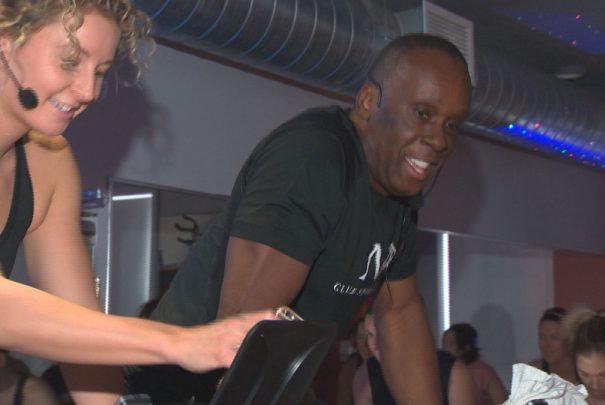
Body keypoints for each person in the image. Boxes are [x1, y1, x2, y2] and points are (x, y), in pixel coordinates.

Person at [141, 33, 473, 403]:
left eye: (451, 124)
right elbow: (241, 334)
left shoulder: (397, 193)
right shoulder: (312, 161)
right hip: (175, 390)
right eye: (423, 113)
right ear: (368, 100)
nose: (440, 140)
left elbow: (399, 311)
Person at [0, 1, 275, 404]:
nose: (88, 91)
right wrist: (178, 342)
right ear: (6, 41)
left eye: (100, 72)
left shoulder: (48, 165)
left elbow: (84, 343)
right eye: (70, 61)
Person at [353, 313, 476, 405]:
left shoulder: (453, 372)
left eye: (381, 332)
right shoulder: (368, 375)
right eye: (370, 335)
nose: (373, 344)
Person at [442, 323, 507, 405]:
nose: (445, 349)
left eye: (451, 344)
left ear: (466, 347)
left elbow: (502, 401)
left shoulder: (483, 371)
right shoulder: (444, 370)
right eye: (444, 344)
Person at [528, 307, 580, 385]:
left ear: (569, 340)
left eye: (554, 337)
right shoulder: (533, 372)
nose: (546, 344)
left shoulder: (586, 371)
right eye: (541, 337)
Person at [337, 318, 373, 405]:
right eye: (360, 338)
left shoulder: (392, 366)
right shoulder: (351, 368)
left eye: (370, 336)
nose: (365, 344)